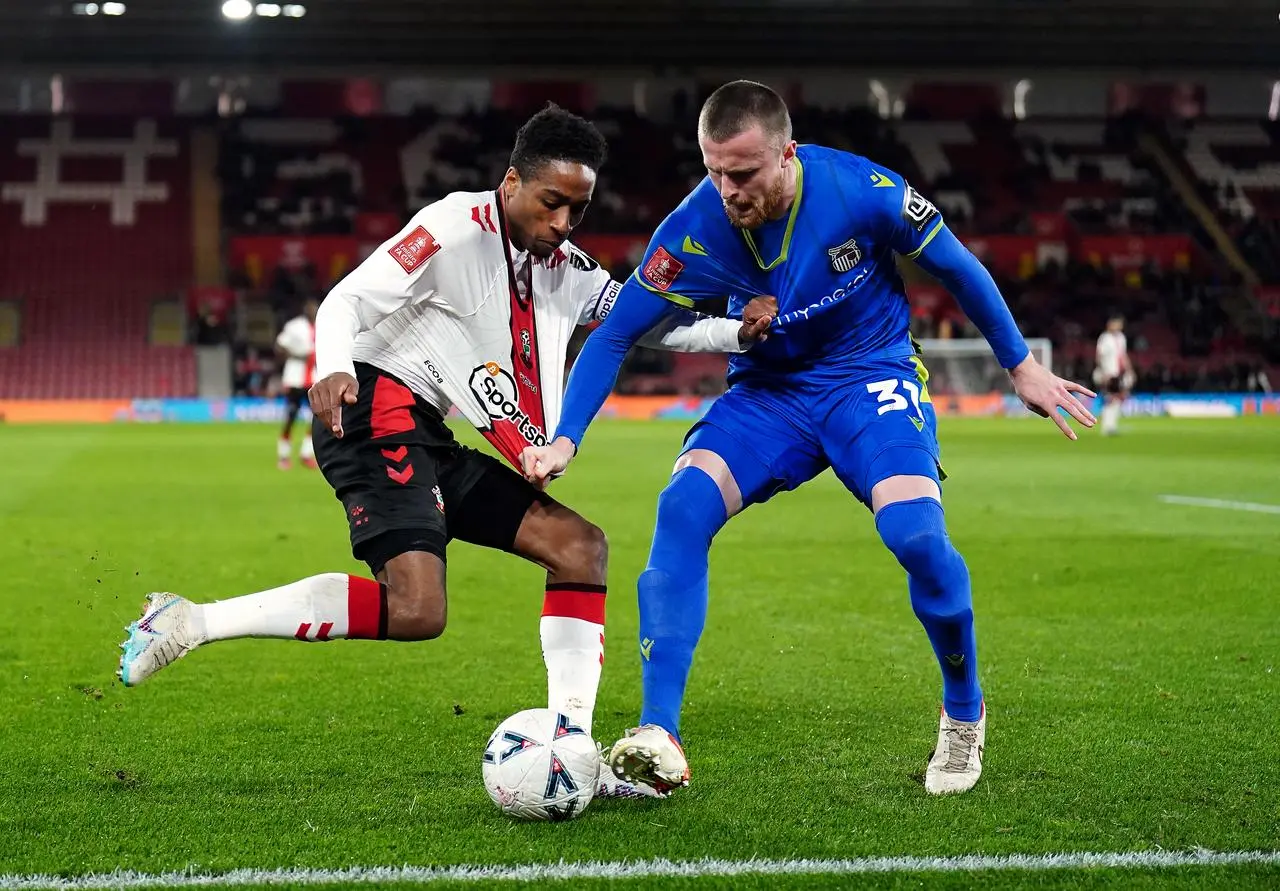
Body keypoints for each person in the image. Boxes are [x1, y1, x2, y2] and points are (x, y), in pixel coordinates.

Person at [117, 104, 772, 798]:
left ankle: (571, 746)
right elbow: (347, 299)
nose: (561, 224)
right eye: (552, 203)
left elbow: (645, 323)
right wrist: (332, 364)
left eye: (577, 211)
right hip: (371, 408)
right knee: (418, 609)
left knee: (581, 547)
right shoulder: (452, 227)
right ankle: (188, 621)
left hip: (425, 427)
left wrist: (736, 334)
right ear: (513, 180)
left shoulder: (565, 265)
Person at [520, 82, 1096, 797]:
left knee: (916, 534)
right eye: (714, 171)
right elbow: (614, 334)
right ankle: (656, 733)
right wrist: (566, 438)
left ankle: (963, 710)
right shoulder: (693, 226)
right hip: (770, 395)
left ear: (786, 154)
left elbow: (956, 265)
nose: (728, 189)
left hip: (868, 376)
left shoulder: (864, 189)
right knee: (682, 508)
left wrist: (1021, 364)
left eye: (744, 173)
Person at [275, 298, 319, 468]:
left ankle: (306, 454)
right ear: (305, 310)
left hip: (314, 379)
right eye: (310, 308)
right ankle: (283, 456)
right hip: (295, 378)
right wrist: (297, 356)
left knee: (316, 418)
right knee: (290, 418)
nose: (313, 311)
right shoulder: (294, 326)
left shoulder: (322, 325)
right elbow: (279, 346)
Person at [1094, 314, 1132, 436]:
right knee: (1110, 398)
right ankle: (1107, 427)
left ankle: (1111, 425)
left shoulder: (1121, 338)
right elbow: (1099, 356)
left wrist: (1130, 370)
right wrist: (1103, 372)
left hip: (1119, 373)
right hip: (1109, 372)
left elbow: (1123, 355)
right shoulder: (1104, 338)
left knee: (1119, 398)